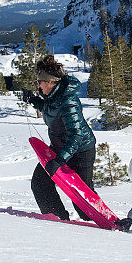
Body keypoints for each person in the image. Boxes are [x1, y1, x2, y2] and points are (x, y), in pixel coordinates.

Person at [20, 55, 96, 221]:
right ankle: (58, 220)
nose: (38, 85)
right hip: (59, 148)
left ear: (49, 82)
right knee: (40, 183)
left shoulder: (68, 101)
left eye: (40, 81)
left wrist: (61, 160)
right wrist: (33, 100)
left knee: (82, 203)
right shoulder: (53, 95)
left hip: (80, 151)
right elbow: (50, 108)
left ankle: (104, 225)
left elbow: (76, 134)